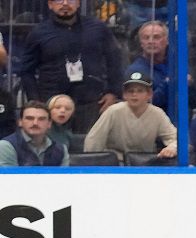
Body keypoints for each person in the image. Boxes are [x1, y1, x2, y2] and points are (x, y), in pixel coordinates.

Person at [18, 0, 124, 133]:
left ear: (79, 3)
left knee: (88, 148)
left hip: (91, 101)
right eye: (59, 0)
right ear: (50, 4)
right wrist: (36, 102)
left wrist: (113, 92)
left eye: (71, 0)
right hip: (52, 103)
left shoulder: (98, 28)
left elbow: (114, 59)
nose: (65, 3)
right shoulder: (38, 32)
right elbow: (26, 71)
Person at [84, 71, 177, 161]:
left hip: (145, 164)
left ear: (149, 94)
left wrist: (172, 148)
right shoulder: (113, 111)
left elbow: (176, 139)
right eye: (130, 91)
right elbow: (93, 141)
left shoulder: (157, 114)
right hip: (116, 165)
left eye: (140, 91)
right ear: (124, 95)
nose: (134, 95)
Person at [0, 101, 69, 166]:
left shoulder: (61, 149)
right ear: (20, 122)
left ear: (49, 124)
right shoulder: (6, 146)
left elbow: (64, 178)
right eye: (29, 118)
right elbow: (9, 178)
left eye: (41, 119)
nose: (35, 123)